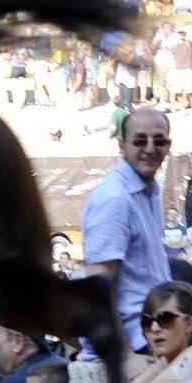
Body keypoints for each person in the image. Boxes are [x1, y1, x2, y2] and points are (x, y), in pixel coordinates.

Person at [80, 107, 170, 348]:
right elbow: (97, 288)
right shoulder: (115, 198)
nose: (150, 148)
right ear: (122, 146)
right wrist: (126, 357)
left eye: (159, 141)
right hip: (136, 340)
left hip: (159, 327)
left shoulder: (149, 190)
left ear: (168, 146)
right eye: (140, 141)